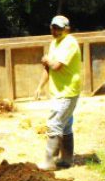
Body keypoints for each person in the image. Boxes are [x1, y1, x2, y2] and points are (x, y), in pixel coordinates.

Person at [34, 15, 82, 170]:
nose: (55, 31)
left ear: (67, 29)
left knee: (54, 123)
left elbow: (55, 66)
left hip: (67, 92)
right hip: (58, 92)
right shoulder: (54, 43)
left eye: (59, 28)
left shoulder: (70, 43)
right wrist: (40, 86)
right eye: (53, 27)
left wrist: (47, 60)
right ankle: (67, 159)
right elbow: (48, 68)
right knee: (66, 125)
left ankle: (49, 162)